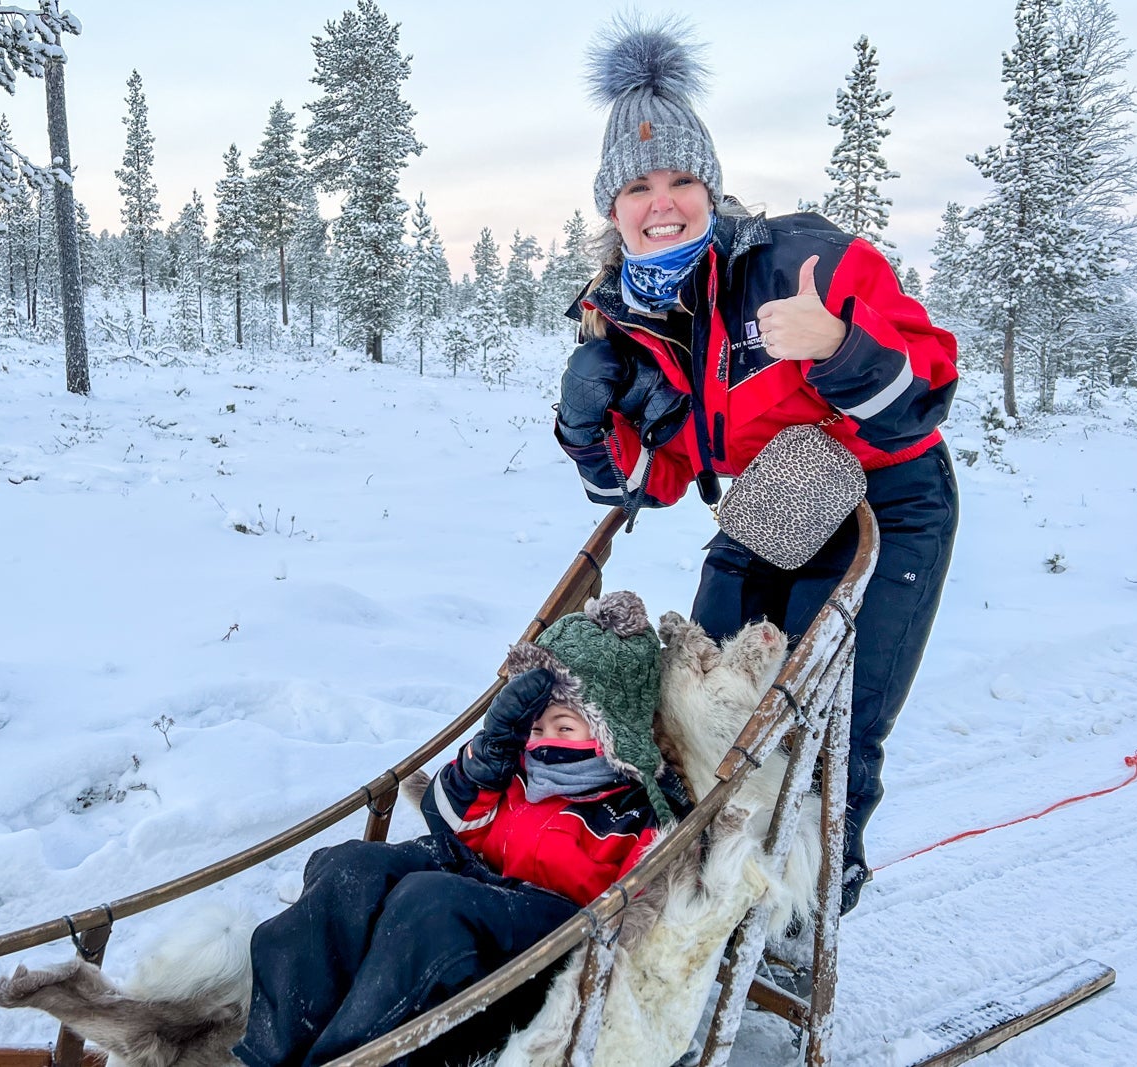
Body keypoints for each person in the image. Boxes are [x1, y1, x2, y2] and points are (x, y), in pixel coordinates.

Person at [553, 19, 960, 915]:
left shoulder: (798, 262)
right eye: (638, 186)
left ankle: (804, 909)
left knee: (830, 717)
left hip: (888, 493)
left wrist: (839, 345)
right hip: (785, 492)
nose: (663, 202)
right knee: (698, 696)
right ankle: (696, 885)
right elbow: (651, 481)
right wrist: (587, 425)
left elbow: (928, 389)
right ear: (611, 206)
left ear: (712, 186)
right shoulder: (626, 316)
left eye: (682, 180)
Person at [234, 592, 664, 1067]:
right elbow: (446, 818)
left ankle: (351, 1060)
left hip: (551, 932)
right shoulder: (514, 771)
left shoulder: (632, 812)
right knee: (349, 867)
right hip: (475, 875)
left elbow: (654, 914)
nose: (545, 743)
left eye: (565, 728)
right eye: (536, 728)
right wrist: (488, 758)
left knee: (427, 900)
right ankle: (275, 1048)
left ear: (612, 734)